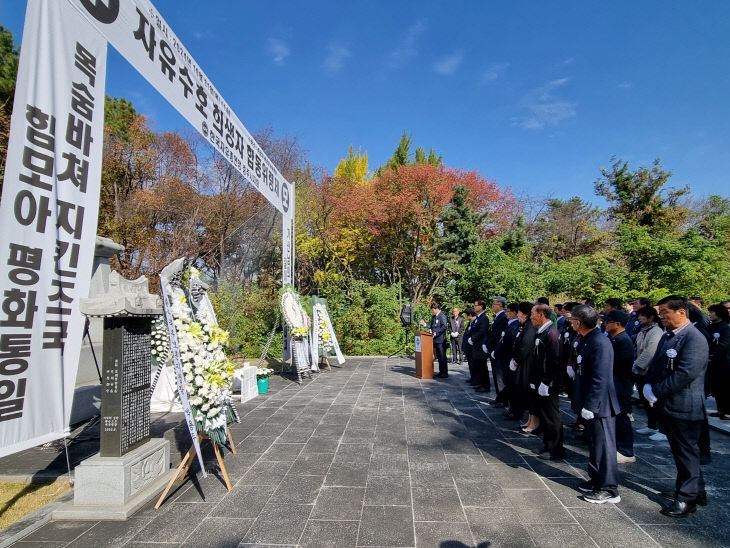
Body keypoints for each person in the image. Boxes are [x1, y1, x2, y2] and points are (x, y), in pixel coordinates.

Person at [644, 295, 709, 518]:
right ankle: (695, 489)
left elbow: (685, 374)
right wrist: (648, 384)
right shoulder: (669, 336)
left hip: (685, 405)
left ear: (681, 312)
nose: (661, 316)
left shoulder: (694, 338)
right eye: (660, 312)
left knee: (687, 453)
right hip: (668, 404)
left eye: (665, 312)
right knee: (680, 452)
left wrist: (657, 390)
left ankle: (687, 498)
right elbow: (657, 364)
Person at [571, 304, 621, 504]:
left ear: (578, 322)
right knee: (594, 445)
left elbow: (601, 378)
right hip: (590, 400)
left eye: (573, 319)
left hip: (601, 404)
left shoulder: (600, 342)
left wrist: (591, 405)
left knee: (605, 447)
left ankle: (609, 488)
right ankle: (596, 479)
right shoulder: (586, 339)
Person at [531, 303, 564, 460]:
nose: (531, 317)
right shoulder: (542, 332)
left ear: (541, 314)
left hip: (549, 382)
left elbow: (555, 361)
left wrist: (546, 381)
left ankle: (555, 448)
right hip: (541, 380)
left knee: (552, 415)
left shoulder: (551, 333)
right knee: (544, 414)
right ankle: (547, 444)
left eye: (533, 314)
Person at [604, 310, 636, 464]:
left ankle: (626, 451)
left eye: (608, 322)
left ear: (617, 324)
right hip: (613, 385)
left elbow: (617, 367)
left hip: (620, 386)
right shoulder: (613, 339)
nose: (605, 324)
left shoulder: (623, 341)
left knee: (622, 418)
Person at [632, 306, 664, 438]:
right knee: (645, 400)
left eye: (643, 315)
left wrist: (638, 364)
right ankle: (651, 425)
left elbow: (650, 351)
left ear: (651, 317)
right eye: (639, 315)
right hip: (640, 370)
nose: (639, 318)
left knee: (654, 400)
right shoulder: (642, 330)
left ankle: (661, 429)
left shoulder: (656, 331)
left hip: (649, 370)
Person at [511, 301, 537, 429]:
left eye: (519, 313)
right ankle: (529, 420)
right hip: (522, 363)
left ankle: (533, 422)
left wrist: (517, 360)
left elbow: (526, 346)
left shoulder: (530, 327)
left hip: (527, 364)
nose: (517, 315)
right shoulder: (524, 326)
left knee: (528, 393)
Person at [495, 302, 520, 418]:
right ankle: (511, 407)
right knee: (506, 382)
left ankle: (514, 409)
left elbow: (509, 342)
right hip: (503, 356)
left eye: (508, 311)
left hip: (508, 357)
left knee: (510, 384)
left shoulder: (515, 325)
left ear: (514, 313)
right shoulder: (510, 324)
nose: (506, 313)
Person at [707, 304, 730, 420]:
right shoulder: (710, 327)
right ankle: (720, 409)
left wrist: (712, 356)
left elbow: (724, 345)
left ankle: (728, 411)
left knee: (725, 386)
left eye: (712, 312)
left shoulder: (726, 327)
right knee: (716, 387)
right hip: (712, 363)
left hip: (724, 362)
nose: (710, 314)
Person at [486, 297, 509, 406]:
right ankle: (499, 397)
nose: (492, 306)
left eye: (494, 304)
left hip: (498, 351)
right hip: (493, 350)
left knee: (500, 376)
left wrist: (493, 347)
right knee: (496, 375)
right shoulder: (497, 317)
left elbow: (499, 335)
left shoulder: (503, 317)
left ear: (500, 305)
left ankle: (503, 399)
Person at [468, 299, 491, 392]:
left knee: (482, 366)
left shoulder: (484, 317)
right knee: (478, 366)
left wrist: (473, 338)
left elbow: (482, 331)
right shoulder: (478, 317)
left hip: (481, 345)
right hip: (476, 345)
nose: (474, 307)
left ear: (481, 307)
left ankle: (485, 385)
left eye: (476, 305)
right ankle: (480, 383)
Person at [422, 302, 448, 378]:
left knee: (442, 356)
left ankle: (444, 372)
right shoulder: (434, 317)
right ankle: (441, 371)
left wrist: (436, 333)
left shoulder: (442, 316)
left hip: (440, 340)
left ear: (436, 309)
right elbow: (432, 327)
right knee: (438, 357)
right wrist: (424, 324)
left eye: (433, 310)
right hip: (434, 340)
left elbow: (444, 327)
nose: (432, 311)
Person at [462, 308, 476, 383]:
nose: (465, 316)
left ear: (470, 315)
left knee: (473, 364)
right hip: (468, 347)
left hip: (472, 347)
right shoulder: (470, 322)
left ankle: (475, 378)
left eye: (465, 315)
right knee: (470, 364)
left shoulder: (475, 322)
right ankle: (472, 377)